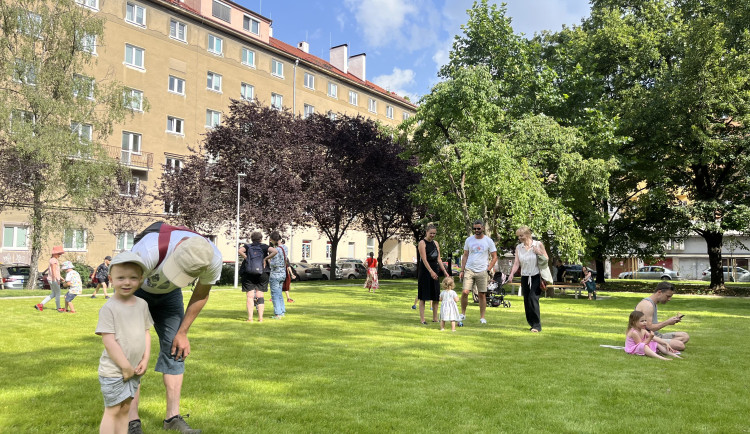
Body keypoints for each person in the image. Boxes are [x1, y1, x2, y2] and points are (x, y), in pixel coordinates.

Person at [127, 223, 223, 434]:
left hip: (170, 297)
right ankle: (132, 422)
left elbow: (200, 294)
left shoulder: (211, 258)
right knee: (133, 352)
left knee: (176, 350)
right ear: (178, 247)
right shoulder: (149, 250)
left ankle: (172, 418)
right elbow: (124, 288)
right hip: (136, 292)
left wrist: (183, 332)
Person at [96, 252, 153, 434]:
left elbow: (146, 333)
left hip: (135, 369)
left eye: (133, 278)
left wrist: (145, 359)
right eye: (121, 278)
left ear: (141, 279)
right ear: (111, 279)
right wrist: (124, 366)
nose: (127, 282)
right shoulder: (109, 308)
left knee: (126, 409)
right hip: (114, 371)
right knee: (113, 410)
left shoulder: (142, 304)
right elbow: (108, 341)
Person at [507, 226, 547, 332]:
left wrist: (538, 252)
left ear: (528, 234)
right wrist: (511, 274)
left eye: (521, 235)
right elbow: (516, 263)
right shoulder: (519, 248)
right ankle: (531, 323)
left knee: (533, 298)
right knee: (526, 300)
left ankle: (537, 325)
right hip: (525, 276)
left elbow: (546, 258)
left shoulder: (538, 244)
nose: (519, 238)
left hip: (536, 276)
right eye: (518, 236)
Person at [458, 220, 498, 324]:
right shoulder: (469, 240)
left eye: (478, 228)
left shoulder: (488, 241)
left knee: (482, 294)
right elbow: (465, 255)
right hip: (469, 269)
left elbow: (494, 257)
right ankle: (462, 314)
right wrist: (462, 270)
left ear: (483, 228)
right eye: (475, 228)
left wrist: (488, 269)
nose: (476, 230)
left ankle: (482, 317)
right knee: (465, 292)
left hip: (482, 270)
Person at [634, 281, 690, 351]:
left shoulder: (653, 303)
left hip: (656, 335)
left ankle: (660, 345)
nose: (669, 299)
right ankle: (653, 346)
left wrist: (670, 321)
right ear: (659, 292)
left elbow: (651, 324)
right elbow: (649, 327)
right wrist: (667, 322)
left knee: (685, 336)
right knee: (680, 345)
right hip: (647, 337)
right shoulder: (648, 305)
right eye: (668, 296)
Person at [417, 224, 450, 325]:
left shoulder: (436, 243)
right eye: (431, 233)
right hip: (425, 271)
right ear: (426, 232)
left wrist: (444, 271)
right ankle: (423, 319)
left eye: (434, 233)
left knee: (436, 295)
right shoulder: (422, 243)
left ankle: (435, 318)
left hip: (435, 270)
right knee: (423, 296)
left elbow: (439, 259)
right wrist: (431, 271)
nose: (432, 235)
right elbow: (424, 259)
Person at [238, 232, 270, 322]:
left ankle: (250, 318)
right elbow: (275, 251)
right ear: (261, 238)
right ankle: (260, 318)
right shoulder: (264, 247)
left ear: (251, 238)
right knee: (260, 295)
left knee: (250, 296)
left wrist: (246, 257)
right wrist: (265, 259)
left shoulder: (248, 246)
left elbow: (239, 250)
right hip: (262, 272)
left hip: (249, 272)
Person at [266, 231, 290, 319]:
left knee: (275, 294)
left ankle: (277, 313)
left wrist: (268, 260)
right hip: (283, 273)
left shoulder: (276, 250)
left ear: (273, 240)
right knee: (279, 293)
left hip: (275, 274)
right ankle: (282, 311)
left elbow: (274, 264)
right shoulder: (285, 248)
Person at [34, 245, 65, 313]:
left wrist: (62, 278)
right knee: (58, 293)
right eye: (59, 254)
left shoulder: (52, 260)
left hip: (51, 279)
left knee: (53, 293)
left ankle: (40, 304)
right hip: (54, 279)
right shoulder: (54, 260)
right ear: (55, 253)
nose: (60, 255)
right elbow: (54, 271)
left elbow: (55, 271)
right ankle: (58, 308)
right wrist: (56, 279)